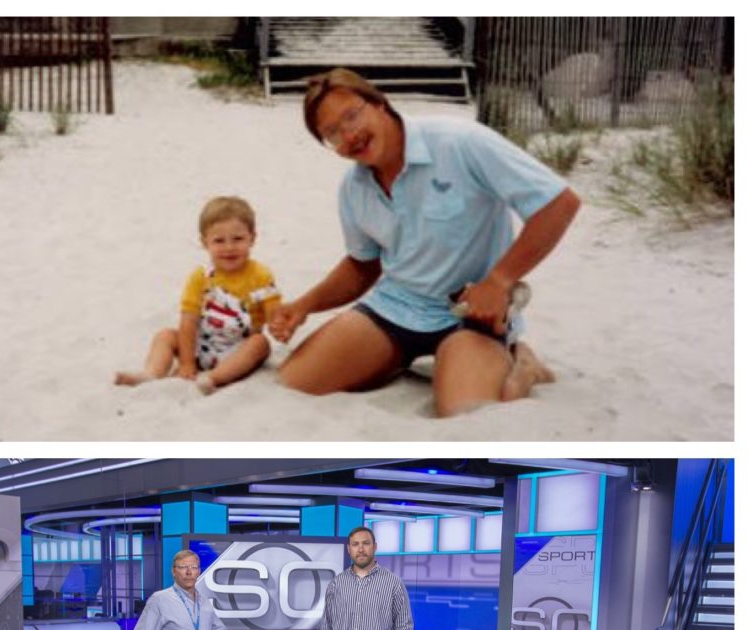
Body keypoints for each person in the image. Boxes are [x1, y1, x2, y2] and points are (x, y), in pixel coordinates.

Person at [268, 68, 581, 417]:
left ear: (378, 103)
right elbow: (362, 265)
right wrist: (304, 305)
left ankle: (522, 362)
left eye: (352, 115)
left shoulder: (459, 141)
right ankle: (390, 361)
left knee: (468, 413)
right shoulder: (353, 188)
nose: (349, 134)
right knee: (293, 383)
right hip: (396, 306)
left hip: (469, 313)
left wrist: (499, 281)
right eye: (333, 133)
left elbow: (558, 204)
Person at [114, 196, 282, 395]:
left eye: (238, 239)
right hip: (202, 345)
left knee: (260, 343)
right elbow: (188, 321)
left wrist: (279, 324)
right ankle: (152, 373)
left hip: (238, 350)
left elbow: (275, 315)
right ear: (205, 242)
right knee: (165, 335)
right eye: (219, 241)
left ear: (252, 238)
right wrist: (187, 363)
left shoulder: (261, 276)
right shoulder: (200, 277)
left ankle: (214, 377)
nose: (229, 247)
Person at [319, 526, 413, 630]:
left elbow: (405, 628)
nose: (361, 549)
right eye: (355, 544)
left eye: (366, 543)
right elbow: (327, 626)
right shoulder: (336, 584)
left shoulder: (393, 583)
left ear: (374, 547)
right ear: (349, 549)